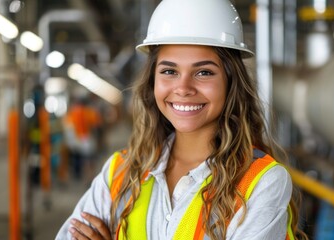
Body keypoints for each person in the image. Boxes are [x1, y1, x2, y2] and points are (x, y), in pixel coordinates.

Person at [56, 0, 307, 239]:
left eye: (204, 72)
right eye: (169, 71)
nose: (184, 87)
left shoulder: (261, 182)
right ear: (153, 81)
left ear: (231, 83)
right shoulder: (119, 173)